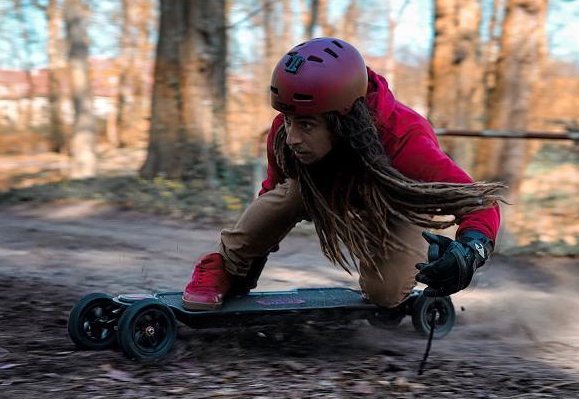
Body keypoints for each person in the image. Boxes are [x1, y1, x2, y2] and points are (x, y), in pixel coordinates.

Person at [181, 37, 504, 312]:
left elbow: (479, 202)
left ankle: (396, 283)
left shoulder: (404, 140)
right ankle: (222, 267)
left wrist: (469, 250)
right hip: (325, 192)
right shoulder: (286, 131)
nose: (291, 136)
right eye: (288, 120)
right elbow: (272, 195)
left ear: (342, 121)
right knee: (289, 191)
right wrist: (241, 266)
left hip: (395, 204)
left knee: (386, 295)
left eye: (306, 125)